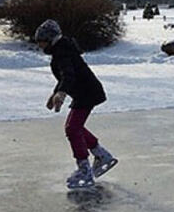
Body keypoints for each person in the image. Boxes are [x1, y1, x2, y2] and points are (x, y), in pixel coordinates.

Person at [34, 19, 118, 189]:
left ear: (50, 39)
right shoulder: (61, 49)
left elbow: (69, 75)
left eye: (42, 41)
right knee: (75, 127)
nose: (40, 46)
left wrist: (61, 93)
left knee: (72, 128)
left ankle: (84, 169)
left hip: (87, 93)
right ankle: (102, 156)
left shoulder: (62, 52)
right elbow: (65, 76)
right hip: (85, 92)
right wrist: (55, 92)